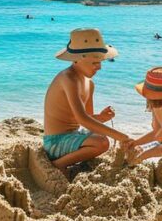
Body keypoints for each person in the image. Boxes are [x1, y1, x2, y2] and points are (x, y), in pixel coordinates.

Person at [43, 28, 132, 175]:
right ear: (78, 59)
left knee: (100, 136)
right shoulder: (68, 79)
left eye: (100, 62)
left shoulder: (89, 83)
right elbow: (82, 120)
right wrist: (122, 137)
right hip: (55, 142)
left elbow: (88, 118)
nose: (100, 67)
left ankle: (71, 158)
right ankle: (58, 165)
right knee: (103, 143)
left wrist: (101, 118)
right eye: (95, 63)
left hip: (74, 134)